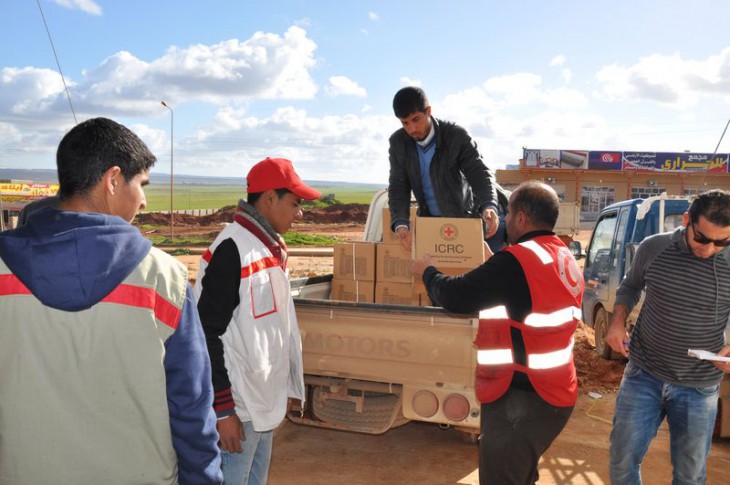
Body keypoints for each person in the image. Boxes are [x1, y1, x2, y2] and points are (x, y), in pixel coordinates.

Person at [0, 117, 222, 484]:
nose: (145, 198)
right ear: (114, 179)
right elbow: (190, 405)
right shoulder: (164, 278)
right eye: (142, 184)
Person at [412, 181, 584, 484]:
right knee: (519, 475)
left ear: (521, 218)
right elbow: (525, 296)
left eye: (507, 213)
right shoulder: (560, 255)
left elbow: (456, 296)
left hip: (521, 398)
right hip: (553, 394)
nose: (503, 219)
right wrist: (496, 262)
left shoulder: (516, 262)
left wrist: (428, 271)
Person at [195, 157, 321, 484]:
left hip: (263, 403)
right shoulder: (232, 249)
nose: (300, 212)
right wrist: (223, 411)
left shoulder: (266, 248)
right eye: (294, 203)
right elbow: (206, 335)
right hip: (240, 409)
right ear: (268, 198)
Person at [606, 189, 730, 484]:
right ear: (687, 220)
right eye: (702, 238)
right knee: (622, 460)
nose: (710, 248)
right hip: (643, 375)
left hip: (699, 387)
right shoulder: (654, 247)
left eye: (722, 242)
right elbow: (630, 286)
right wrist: (617, 322)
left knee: (689, 475)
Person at [387, 86, 504, 251]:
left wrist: (489, 205)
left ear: (428, 111)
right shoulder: (398, 143)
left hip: (464, 220)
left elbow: (479, 173)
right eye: (405, 123)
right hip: (429, 224)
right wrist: (401, 224)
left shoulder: (456, 137)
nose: (411, 129)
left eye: (416, 120)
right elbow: (398, 185)